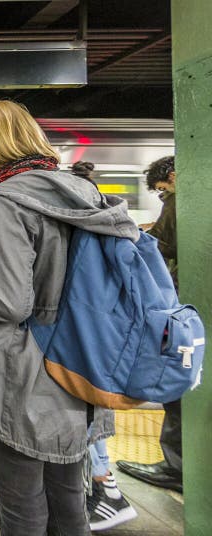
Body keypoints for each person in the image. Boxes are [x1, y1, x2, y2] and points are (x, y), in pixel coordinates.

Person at [0, 101, 139, 535]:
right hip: (80, 369)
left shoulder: (5, 202)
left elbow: (8, 303)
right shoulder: (82, 193)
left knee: (22, 509)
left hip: (22, 379)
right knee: (68, 505)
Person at [69, 161, 138, 531]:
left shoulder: (88, 233)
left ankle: (106, 489)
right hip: (99, 345)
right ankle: (104, 487)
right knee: (87, 416)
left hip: (87, 348)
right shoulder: (110, 227)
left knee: (86, 417)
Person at [117, 156, 183, 493]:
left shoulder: (179, 199)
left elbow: (164, 243)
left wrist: (135, 235)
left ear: (172, 177)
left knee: (177, 389)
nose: (163, 197)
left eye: (161, 191)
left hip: (182, 311)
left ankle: (177, 468)